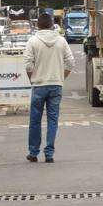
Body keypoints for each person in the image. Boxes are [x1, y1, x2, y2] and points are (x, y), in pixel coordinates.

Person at [24, 13, 75, 163]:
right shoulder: (61, 41)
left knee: (35, 120)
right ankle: (49, 153)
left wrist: (32, 79)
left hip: (39, 85)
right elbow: (71, 63)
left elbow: (28, 65)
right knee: (53, 120)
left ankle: (33, 152)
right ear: (52, 25)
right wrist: (61, 77)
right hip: (56, 85)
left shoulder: (33, 41)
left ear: (37, 25)